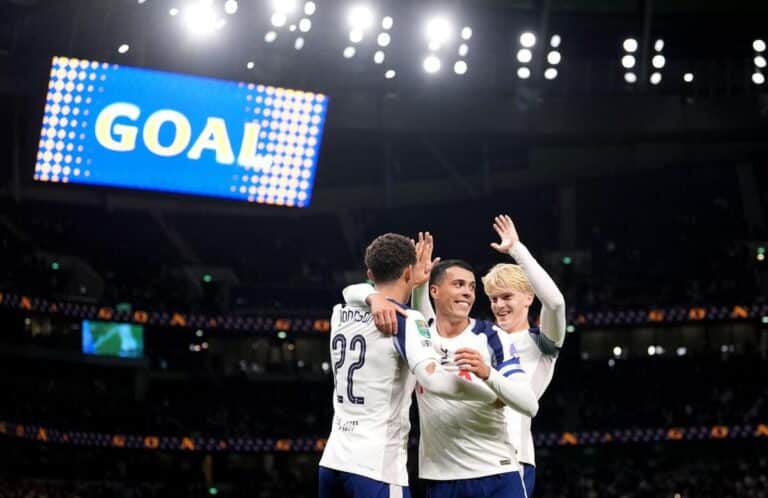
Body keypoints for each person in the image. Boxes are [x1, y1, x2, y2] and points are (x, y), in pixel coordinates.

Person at [345, 216, 565, 497]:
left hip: (506, 459)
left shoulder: (537, 344)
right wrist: (420, 282)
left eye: (507, 297)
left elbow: (555, 303)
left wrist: (516, 249)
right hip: (445, 467)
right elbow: (427, 325)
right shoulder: (481, 336)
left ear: (529, 298)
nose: (499, 305)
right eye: (493, 298)